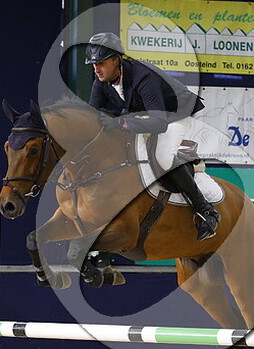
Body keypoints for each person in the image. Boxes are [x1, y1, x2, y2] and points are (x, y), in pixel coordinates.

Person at [85, 32, 220, 242]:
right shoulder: (101, 80)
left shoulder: (143, 77)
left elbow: (159, 123)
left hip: (173, 113)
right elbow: (91, 115)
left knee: (163, 157)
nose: (96, 69)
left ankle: (206, 211)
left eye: (101, 63)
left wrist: (120, 123)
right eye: (94, 64)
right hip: (145, 113)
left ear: (116, 60)